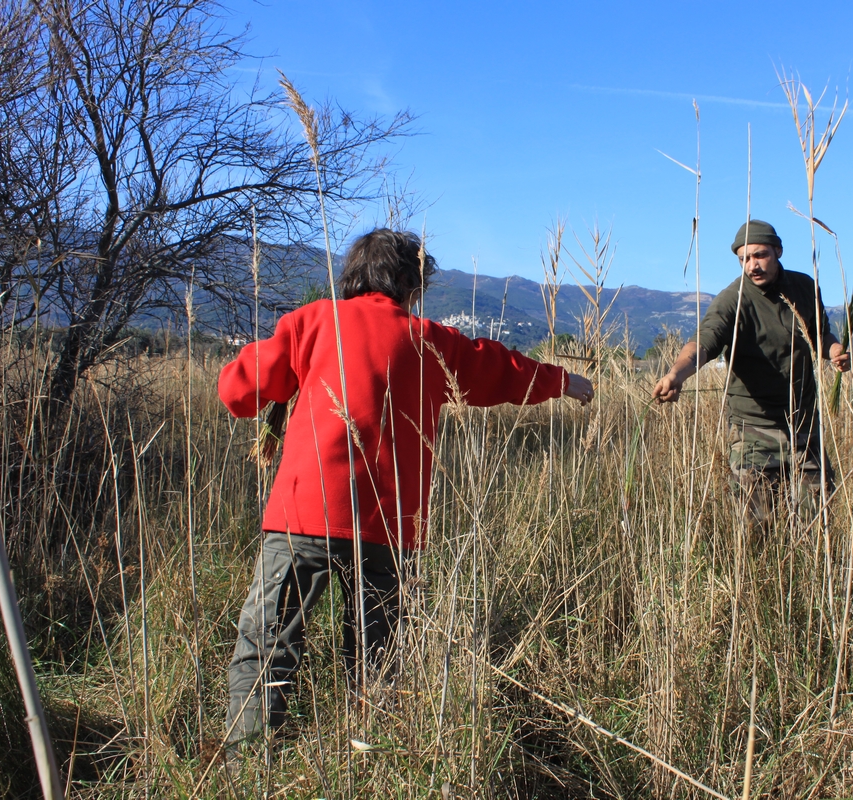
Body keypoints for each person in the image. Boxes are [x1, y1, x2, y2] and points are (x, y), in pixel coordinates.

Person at [217, 228, 594, 744]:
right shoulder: (430, 340)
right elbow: (499, 369)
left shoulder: (310, 323)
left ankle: (251, 767)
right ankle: (371, 761)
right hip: (389, 529)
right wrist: (564, 381)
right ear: (412, 285)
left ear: (352, 273)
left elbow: (238, 392)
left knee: (266, 650)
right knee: (377, 663)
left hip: (303, 518)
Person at [651, 220, 850, 520]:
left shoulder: (805, 287)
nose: (752, 265)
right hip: (753, 430)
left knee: (817, 519)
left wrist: (834, 351)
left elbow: (820, 334)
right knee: (757, 526)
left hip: (803, 425)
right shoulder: (733, 299)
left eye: (760, 256)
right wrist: (675, 374)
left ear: (778, 251)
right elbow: (703, 343)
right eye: (744, 259)